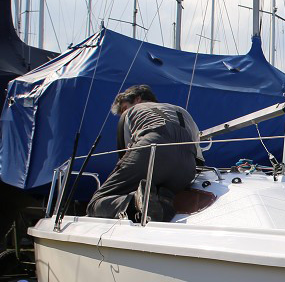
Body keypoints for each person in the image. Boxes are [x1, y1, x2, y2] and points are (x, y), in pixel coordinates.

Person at [86, 85, 201, 222]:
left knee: (95, 203)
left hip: (151, 149)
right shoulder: (182, 111)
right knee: (157, 186)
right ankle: (161, 200)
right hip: (187, 168)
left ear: (138, 99)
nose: (123, 112)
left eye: (124, 108)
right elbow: (198, 156)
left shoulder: (131, 112)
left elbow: (126, 155)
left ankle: (137, 201)